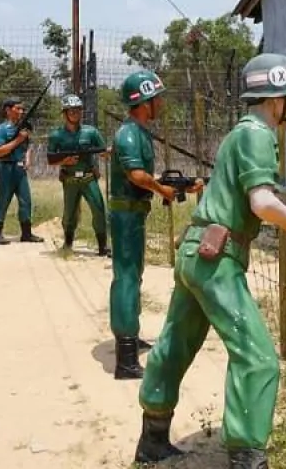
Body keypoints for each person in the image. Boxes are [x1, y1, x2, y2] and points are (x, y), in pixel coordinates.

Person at [132, 53, 286, 468]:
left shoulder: (239, 135)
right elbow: (263, 202)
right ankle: (247, 456)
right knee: (257, 355)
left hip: (197, 251)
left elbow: (278, 197)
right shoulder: (258, 135)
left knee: (177, 342)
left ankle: (152, 438)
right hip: (218, 258)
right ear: (275, 99)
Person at [108, 70, 203, 380]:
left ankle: (131, 337)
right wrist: (162, 189)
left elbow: (142, 178)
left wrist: (177, 184)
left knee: (134, 275)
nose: (161, 103)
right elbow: (136, 176)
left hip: (134, 212)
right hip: (125, 214)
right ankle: (125, 358)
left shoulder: (138, 132)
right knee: (126, 277)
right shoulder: (129, 135)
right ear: (144, 101)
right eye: (156, 98)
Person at [46, 94, 111, 256]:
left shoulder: (91, 132)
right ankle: (68, 244)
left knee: (98, 210)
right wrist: (65, 160)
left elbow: (102, 152)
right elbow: (50, 159)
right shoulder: (56, 135)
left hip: (89, 178)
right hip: (70, 179)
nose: (75, 113)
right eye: (71, 111)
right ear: (65, 113)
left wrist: (111, 151)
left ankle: (102, 246)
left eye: (78, 110)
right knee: (69, 214)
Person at [0, 98, 44, 245]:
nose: (21, 111)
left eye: (22, 109)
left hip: (20, 168)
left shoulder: (23, 127)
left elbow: (27, 145)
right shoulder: (1, 129)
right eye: (17, 108)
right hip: (7, 167)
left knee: (26, 200)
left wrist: (27, 158)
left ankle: (26, 233)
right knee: (4, 199)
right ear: (8, 110)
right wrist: (18, 140)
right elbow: (0, 151)